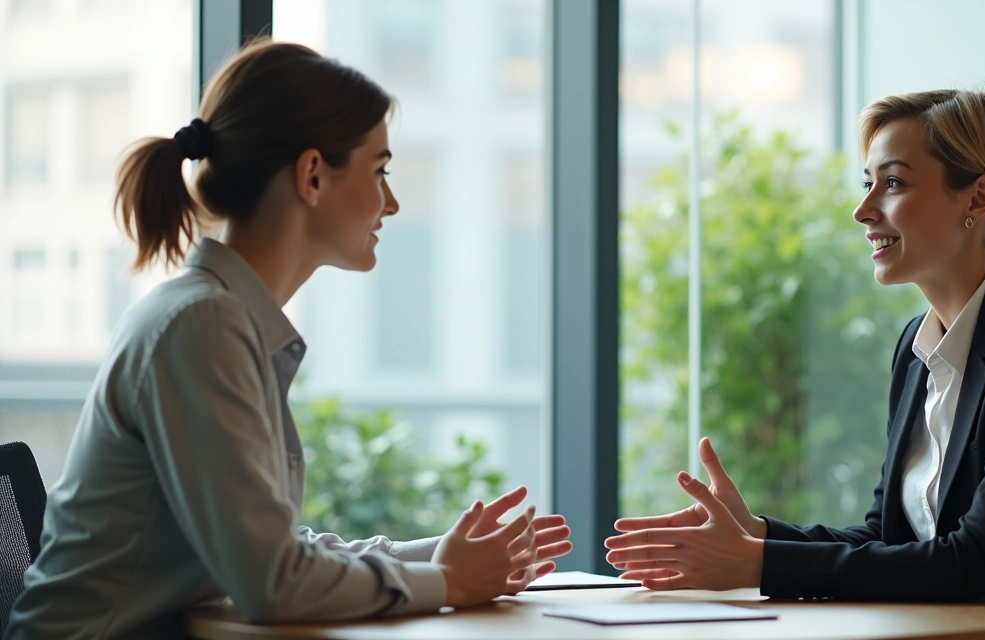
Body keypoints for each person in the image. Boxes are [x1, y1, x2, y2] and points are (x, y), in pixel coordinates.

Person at [5, 39, 571, 640]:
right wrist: (449, 582)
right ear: (312, 175)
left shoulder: (221, 319)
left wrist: (443, 556)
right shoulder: (202, 326)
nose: (393, 202)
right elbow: (273, 582)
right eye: (379, 170)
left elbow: (276, 552)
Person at [605, 85, 985, 640]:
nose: (863, 210)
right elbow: (887, 538)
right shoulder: (916, 347)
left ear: (977, 199)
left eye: (893, 183)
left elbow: (974, 561)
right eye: (867, 183)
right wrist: (758, 535)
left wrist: (758, 564)